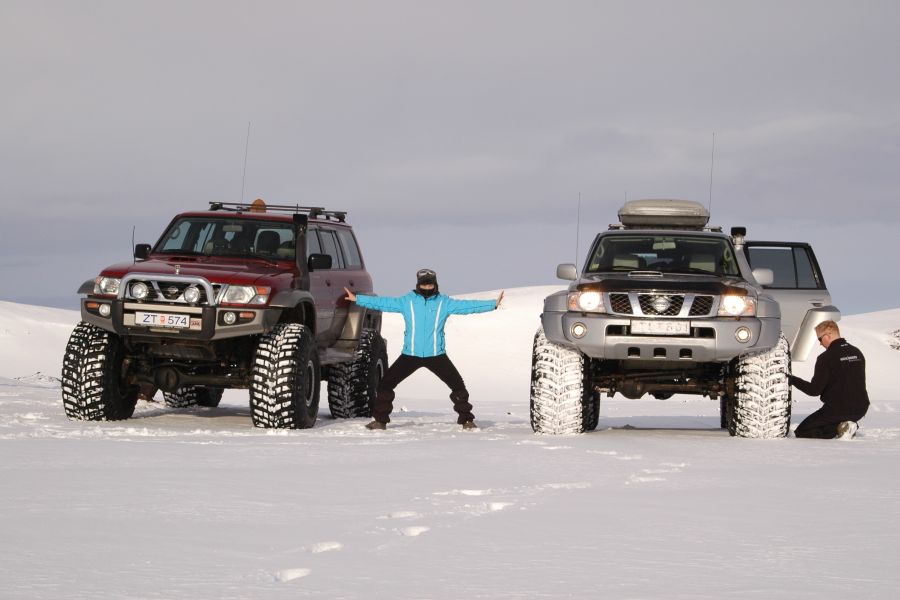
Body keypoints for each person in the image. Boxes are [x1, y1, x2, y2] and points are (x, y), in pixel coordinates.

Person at [343, 268, 504, 430]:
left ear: (435, 284)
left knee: (458, 385)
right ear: (418, 285)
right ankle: (380, 421)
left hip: (436, 355)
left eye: (430, 284)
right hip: (410, 355)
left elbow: (467, 307)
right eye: (424, 285)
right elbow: (383, 302)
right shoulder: (407, 301)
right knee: (385, 385)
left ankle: (467, 420)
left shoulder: (444, 303)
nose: (427, 288)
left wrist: (493, 304)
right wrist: (357, 299)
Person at [790, 320, 869, 439]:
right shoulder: (857, 352)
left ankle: (840, 428)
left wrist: (792, 379)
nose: (820, 344)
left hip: (837, 409)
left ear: (828, 335)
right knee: (830, 419)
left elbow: (814, 390)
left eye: (819, 339)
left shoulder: (825, 357)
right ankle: (847, 424)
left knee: (802, 431)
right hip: (861, 408)